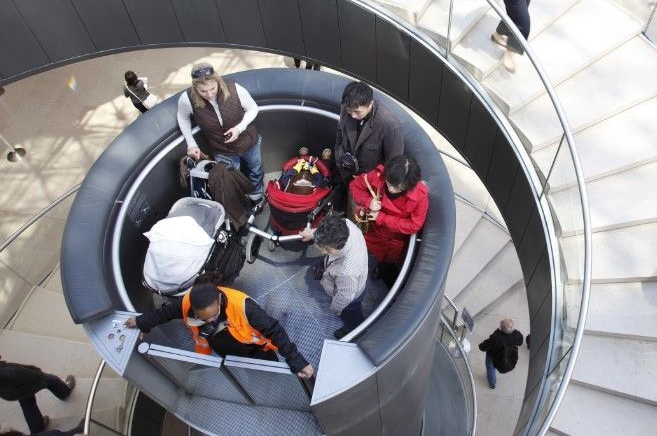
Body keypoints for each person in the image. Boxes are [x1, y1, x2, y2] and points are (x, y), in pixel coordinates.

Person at [124, 272, 313, 379]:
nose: (209, 322)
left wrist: (296, 360)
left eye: (213, 316)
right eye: (202, 318)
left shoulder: (244, 306)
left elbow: (274, 330)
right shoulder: (187, 303)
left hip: (256, 350)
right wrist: (141, 322)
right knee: (248, 369)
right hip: (225, 350)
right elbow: (163, 314)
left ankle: (271, 378)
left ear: (220, 301)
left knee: (268, 372)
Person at [177, 63, 265, 201]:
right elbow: (182, 118)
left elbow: (253, 108)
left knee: (256, 170)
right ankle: (240, 202)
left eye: (212, 88)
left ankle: (257, 195)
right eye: (203, 91)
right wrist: (191, 144)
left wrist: (239, 128)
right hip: (222, 149)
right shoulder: (187, 99)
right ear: (195, 87)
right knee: (229, 179)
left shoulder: (235, 89)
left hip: (248, 142)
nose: (209, 94)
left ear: (217, 80)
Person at [348, 155, 429, 287]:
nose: (391, 189)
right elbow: (355, 186)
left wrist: (381, 217)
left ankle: (381, 272)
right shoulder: (378, 175)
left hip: (392, 240)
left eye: (397, 188)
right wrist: (368, 201)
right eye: (389, 183)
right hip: (370, 229)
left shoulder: (420, 196)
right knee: (361, 249)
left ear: (408, 185)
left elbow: (415, 225)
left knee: (386, 264)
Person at [304, 215, 369, 340]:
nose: (323, 252)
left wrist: (335, 308)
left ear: (340, 245)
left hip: (351, 299)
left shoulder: (347, 271)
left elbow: (345, 296)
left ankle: (354, 330)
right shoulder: (346, 224)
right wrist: (312, 234)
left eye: (327, 250)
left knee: (350, 315)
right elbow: (326, 231)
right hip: (355, 281)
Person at [334, 82, 404, 184]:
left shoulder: (390, 126)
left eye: (358, 112)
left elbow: (393, 162)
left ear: (370, 104)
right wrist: (338, 157)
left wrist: (371, 181)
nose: (353, 115)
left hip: (366, 182)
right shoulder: (347, 107)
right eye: (349, 110)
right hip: (344, 170)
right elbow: (340, 133)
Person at [0, 359, 76, 434]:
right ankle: (64, 392)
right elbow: (17, 374)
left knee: (26, 400)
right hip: (13, 377)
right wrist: (36, 372)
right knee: (50, 380)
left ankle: (38, 429)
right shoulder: (9, 373)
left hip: (6, 391)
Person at [477, 319, 523, 389]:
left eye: (501, 322)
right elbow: (520, 342)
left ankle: (492, 383)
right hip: (506, 356)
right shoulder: (516, 335)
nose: (500, 322)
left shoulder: (495, 337)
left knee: (490, 368)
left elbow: (484, 347)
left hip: (493, 357)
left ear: (501, 327)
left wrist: (480, 345)